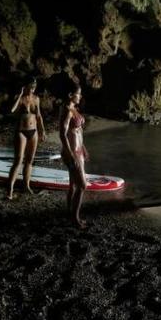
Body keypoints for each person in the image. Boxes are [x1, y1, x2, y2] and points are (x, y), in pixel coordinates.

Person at [6, 78, 45, 200]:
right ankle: (10, 190)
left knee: (30, 160)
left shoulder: (36, 99)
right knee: (18, 160)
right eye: (30, 86)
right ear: (25, 86)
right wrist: (20, 94)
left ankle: (26, 186)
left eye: (34, 87)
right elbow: (11, 110)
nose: (32, 89)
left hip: (34, 132)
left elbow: (38, 115)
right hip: (21, 131)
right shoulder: (21, 98)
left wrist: (42, 129)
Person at [59, 84, 89, 228]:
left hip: (78, 151)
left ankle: (69, 214)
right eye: (78, 94)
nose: (80, 96)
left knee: (73, 185)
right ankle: (75, 219)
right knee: (82, 185)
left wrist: (83, 148)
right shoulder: (66, 110)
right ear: (71, 94)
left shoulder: (74, 109)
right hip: (71, 152)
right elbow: (62, 134)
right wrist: (70, 154)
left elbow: (78, 131)